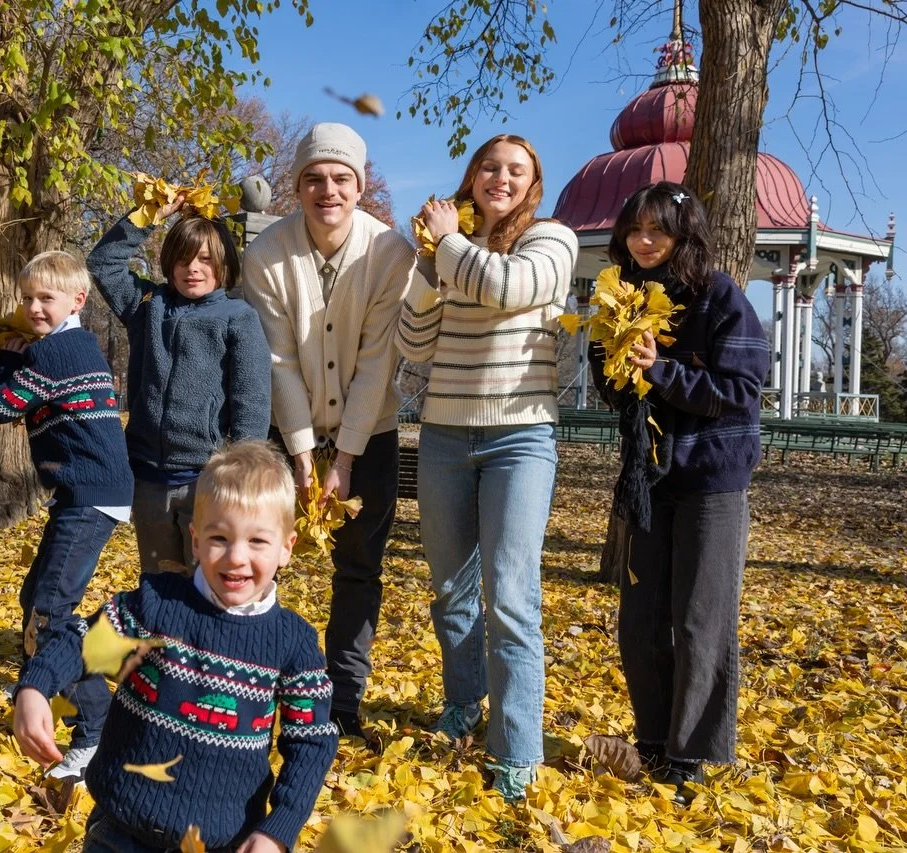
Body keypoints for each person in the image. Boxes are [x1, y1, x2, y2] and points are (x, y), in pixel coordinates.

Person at [12, 440, 339, 853]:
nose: (236, 557)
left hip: (224, 840)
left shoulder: (293, 644)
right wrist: (35, 687)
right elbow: (82, 645)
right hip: (120, 830)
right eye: (219, 537)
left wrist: (278, 829)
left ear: (286, 548)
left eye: (258, 541)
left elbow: (310, 742)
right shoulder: (157, 609)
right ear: (196, 540)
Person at [395, 133, 578, 801]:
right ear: (471, 176)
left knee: (510, 594)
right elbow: (413, 343)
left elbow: (511, 288)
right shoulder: (445, 251)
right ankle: (464, 701)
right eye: (488, 166)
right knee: (452, 590)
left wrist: (446, 247)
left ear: (532, 182)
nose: (500, 178)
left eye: (516, 170)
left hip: (520, 438)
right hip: (444, 433)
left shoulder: (552, 238)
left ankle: (517, 749)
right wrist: (427, 263)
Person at [590, 181, 769, 804]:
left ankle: (692, 753)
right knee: (640, 622)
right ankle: (655, 739)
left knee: (699, 620)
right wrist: (611, 362)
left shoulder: (720, 297)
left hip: (712, 477)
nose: (642, 242)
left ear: (682, 237)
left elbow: (741, 392)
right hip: (649, 476)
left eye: (656, 232)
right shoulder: (621, 294)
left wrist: (660, 370)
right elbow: (616, 390)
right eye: (633, 230)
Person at [241, 122, 415, 741]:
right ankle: (252, 684)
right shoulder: (266, 256)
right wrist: (303, 457)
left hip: (369, 433)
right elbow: (279, 361)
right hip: (285, 430)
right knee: (261, 557)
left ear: (360, 187)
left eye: (342, 178)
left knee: (359, 565)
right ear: (297, 186)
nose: (328, 190)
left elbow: (376, 362)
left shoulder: (391, 253)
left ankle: (342, 701)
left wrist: (343, 457)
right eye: (314, 178)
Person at [0, 250, 134, 781]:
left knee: (51, 613)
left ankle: (96, 727)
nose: (34, 308)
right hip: (84, 493)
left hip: (91, 495)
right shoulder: (68, 345)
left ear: (77, 299)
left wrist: (6, 358)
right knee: (38, 600)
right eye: (27, 299)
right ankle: (38, 683)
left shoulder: (55, 354)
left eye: (46, 298)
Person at [86, 196, 270, 574]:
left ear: (224, 264)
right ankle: (161, 637)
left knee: (206, 586)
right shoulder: (147, 306)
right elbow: (102, 263)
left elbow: (251, 404)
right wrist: (153, 212)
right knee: (157, 586)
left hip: (206, 481)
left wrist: (244, 479)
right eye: (184, 259)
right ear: (169, 262)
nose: (193, 269)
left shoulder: (238, 318)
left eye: (205, 260)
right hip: (148, 480)